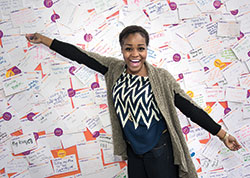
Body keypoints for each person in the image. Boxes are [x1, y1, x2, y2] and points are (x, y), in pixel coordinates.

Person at [26, 25, 241, 178]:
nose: (135, 54)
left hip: (160, 150)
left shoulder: (161, 78)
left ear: (147, 49)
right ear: (122, 50)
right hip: (134, 151)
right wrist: (46, 40)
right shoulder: (114, 69)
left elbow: (189, 108)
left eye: (141, 48)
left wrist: (222, 135)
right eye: (129, 48)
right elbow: (80, 55)